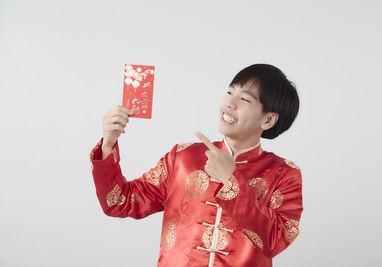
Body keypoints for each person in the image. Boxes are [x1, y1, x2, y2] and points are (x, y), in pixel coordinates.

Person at [89, 63, 303, 267]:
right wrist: (109, 144)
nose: (230, 103)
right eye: (230, 92)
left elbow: (275, 241)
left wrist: (231, 179)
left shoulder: (284, 174)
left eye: (245, 99)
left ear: (268, 120)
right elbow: (118, 202)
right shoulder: (183, 157)